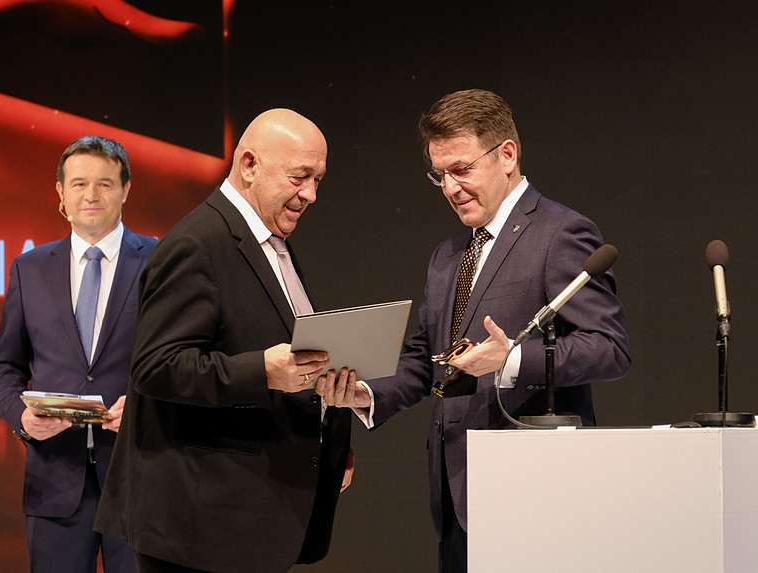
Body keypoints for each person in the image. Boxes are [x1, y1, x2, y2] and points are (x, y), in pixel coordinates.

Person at [317, 89, 631, 572]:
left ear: (507, 155)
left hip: (537, 493)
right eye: (438, 175)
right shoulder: (448, 254)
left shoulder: (560, 233)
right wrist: (366, 393)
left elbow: (609, 348)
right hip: (455, 494)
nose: (449, 187)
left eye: (461, 169)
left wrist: (513, 360)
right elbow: (427, 359)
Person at [94, 109, 354, 573]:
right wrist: (263, 371)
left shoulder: (270, 241)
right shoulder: (197, 242)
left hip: (247, 521)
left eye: (318, 179)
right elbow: (156, 367)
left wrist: (323, 439)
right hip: (200, 532)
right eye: (299, 177)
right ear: (249, 165)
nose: (311, 194)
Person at [0, 135, 155, 572]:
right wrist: (22, 419)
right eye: (79, 184)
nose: (91, 195)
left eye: (104, 184)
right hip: (54, 482)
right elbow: (4, 365)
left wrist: (148, 407)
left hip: (140, 478)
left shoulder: (161, 261)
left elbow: (184, 359)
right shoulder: (29, 268)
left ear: (126, 189)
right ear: (61, 192)